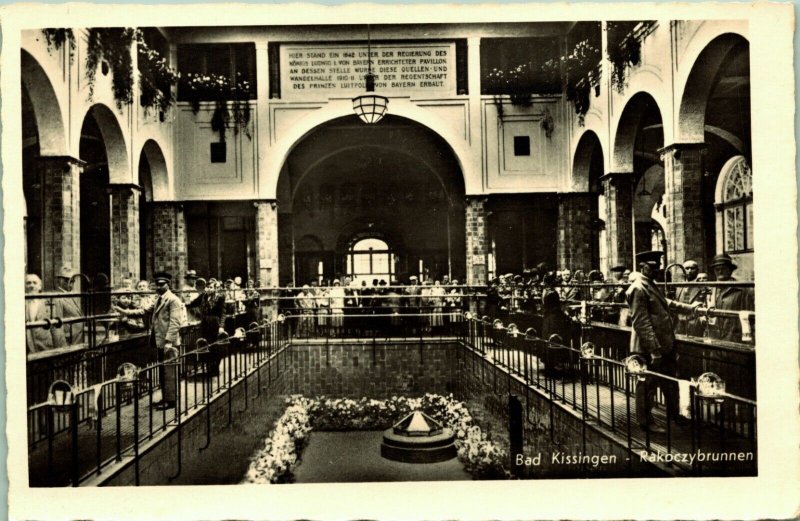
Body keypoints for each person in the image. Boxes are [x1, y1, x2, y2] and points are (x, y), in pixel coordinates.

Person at [625, 253, 700, 433]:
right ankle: (646, 422)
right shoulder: (638, 288)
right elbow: (641, 322)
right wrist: (654, 351)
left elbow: (667, 303)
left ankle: (675, 415)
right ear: (642, 266)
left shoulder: (650, 285)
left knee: (669, 381)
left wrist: (691, 308)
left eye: (658, 265)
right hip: (650, 347)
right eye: (653, 265)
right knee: (647, 384)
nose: (657, 268)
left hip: (663, 345)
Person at [115, 271, 182, 409]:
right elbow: (143, 311)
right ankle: (166, 398)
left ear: (168, 285)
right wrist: (124, 311)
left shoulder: (173, 300)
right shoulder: (158, 299)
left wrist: (169, 341)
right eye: (157, 284)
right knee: (163, 371)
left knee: (169, 372)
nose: (158, 286)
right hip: (159, 341)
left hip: (168, 342)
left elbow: (175, 323)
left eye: (161, 284)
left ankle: (171, 401)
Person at [708, 254, 755, 343]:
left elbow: (750, 319)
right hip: (715, 339)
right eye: (717, 269)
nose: (720, 271)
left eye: (723, 268)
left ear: (730, 270)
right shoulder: (711, 290)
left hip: (734, 339)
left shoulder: (742, 291)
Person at [187, 278, 227, 377]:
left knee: (215, 347)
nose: (208, 289)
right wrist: (183, 304)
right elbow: (192, 304)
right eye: (207, 287)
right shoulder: (203, 297)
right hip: (205, 324)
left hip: (215, 324)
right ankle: (209, 368)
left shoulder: (220, 297)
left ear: (215, 288)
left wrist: (221, 326)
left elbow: (223, 313)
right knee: (206, 345)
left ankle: (215, 368)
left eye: (210, 287)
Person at [52, 265, 85, 345]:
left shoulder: (72, 295)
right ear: (60, 281)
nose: (71, 283)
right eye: (67, 280)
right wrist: (63, 347)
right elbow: (57, 326)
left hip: (77, 339)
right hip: (69, 342)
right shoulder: (58, 297)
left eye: (73, 281)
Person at [25, 274, 57, 353]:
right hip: (27, 349)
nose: (31, 285)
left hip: (45, 347)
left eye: (34, 283)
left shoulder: (48, 303)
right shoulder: (19, 304)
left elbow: (55, 328)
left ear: (40, 286)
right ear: (25, 286)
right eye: (28, 283)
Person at [674, 260, 707, 337]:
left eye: (693, 268)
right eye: (687, 268)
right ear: (683, 270)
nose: (690, 271)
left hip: (695, 325)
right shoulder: (679, 286)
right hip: (679, 324)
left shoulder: (703, 287)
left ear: (697, 270)